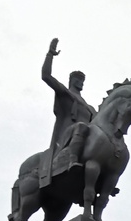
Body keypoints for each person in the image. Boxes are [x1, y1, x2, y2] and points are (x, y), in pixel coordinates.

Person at [40, 38, 95, 183]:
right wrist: (50, 54)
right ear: (72, 80)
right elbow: (46, 76)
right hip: (68, 135)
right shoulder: (66, 93)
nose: (81, 83)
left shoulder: (90, 108)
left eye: (82, 80)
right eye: (78, 79)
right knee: (81, 126)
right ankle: (72, 159)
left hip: (85, 137)